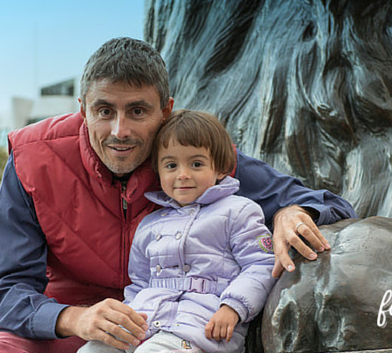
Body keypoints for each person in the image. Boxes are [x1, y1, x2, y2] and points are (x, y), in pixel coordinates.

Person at [0, 37, 356, 353]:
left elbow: (330, 203)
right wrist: (74, 318)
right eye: (104, 110)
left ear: (166, 110)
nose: (120, 131)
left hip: (142, 317)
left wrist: (289, 212)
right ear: (82, 109)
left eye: (138, 111)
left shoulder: (192, 157)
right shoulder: (33, 157)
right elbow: (8, 290)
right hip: (44, 304)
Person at [78, 109, 277, 353]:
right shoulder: (150, 223)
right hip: (146, 323)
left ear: (221, 168)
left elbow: (262, 265)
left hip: (202, 328)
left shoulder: (239, 211)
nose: (183, 175)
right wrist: (126, 318)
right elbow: (139, 283)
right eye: (171, 165)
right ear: (158, 171)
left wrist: (233, 306)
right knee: (93, 350)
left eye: (196, 164)